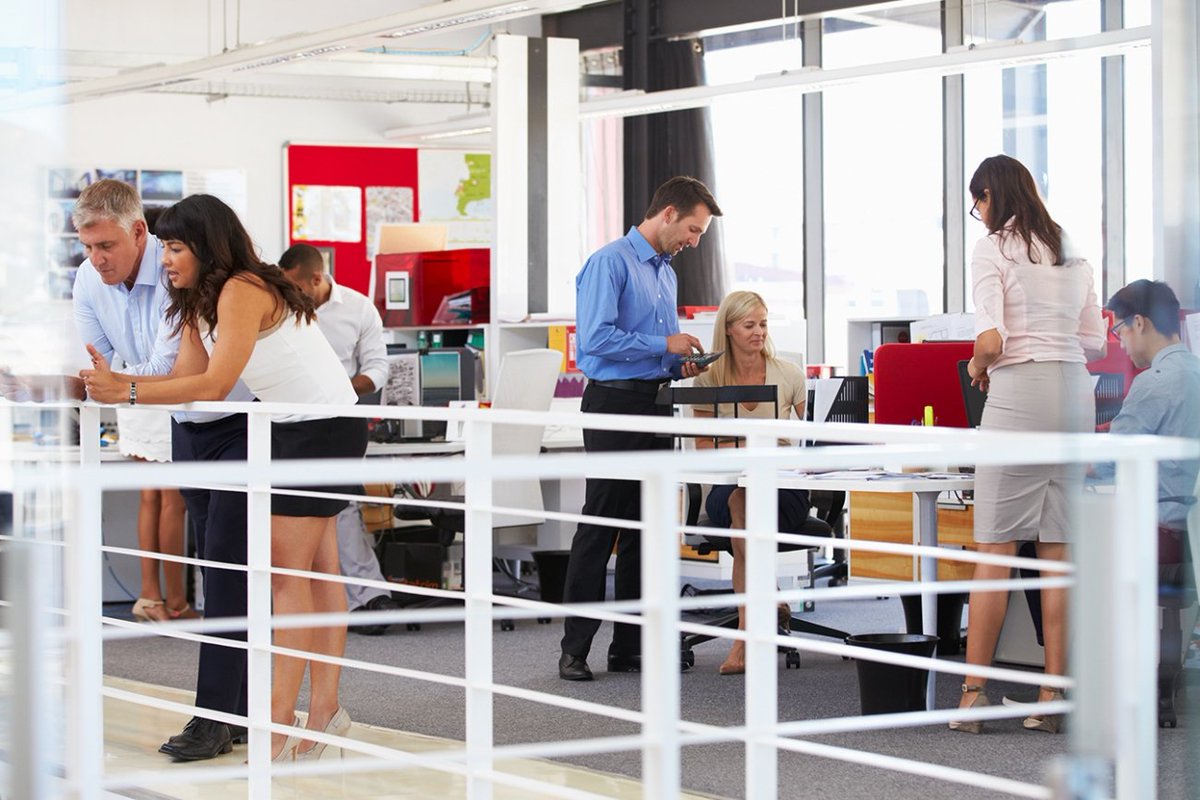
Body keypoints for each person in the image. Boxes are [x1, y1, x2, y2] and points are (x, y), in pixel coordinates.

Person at [81, 195, 367, 762]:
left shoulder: (242, 288)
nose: (165, 259)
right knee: (317, 573)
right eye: (164, 248)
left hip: (320, 429)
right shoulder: (201, 300)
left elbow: (214, 386)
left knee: (287, 577)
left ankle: (278, 719)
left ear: (207, 246)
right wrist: (117, 386)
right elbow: (185, 379)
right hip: (289, 426)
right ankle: (325, 710)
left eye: (175, 248)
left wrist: (125, 391)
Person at [954, 155, 1106, 734]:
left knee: (995, 550)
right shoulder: (1072, 251)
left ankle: (972, 699)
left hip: (1021, 392)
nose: (980, 214)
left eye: (978, 203)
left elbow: (991, 341)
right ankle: (1052, 695)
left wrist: (976, 368)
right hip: (1076, 395)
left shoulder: (993, 248)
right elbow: (1094, 339)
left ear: (991, 196)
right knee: (1057, 553)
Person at [558, 176, 721, 682]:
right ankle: (574, 650)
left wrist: (678, 365)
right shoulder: (610, 262)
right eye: (693, 230)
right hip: (613, 404)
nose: (694, 242)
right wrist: (663, 346)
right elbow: (596, 340)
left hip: (655, 403)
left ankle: (629, 646)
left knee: (645, 529)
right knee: (602, 523)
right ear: (668, 213)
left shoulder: (665, 273)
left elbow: (655, 352)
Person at [71, 180, 193, 623]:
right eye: (88, 247)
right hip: (135, 392)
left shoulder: (171, 266)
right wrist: (109, 381)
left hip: (180, 392)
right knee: (160, 498)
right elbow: (95, 359)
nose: (96, 258)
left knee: (168, 498)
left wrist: (112, 381)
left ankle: (167, 600)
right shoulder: (87, 277)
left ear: (139, 231)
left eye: (106, 245)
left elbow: (168, 364)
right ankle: (160, 601)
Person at [280, 243, 400, 636]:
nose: (291, 295)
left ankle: (366, 595)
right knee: (299, 513)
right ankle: (333, 595)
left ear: (317, 278)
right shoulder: (280, 307)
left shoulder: (358, 308)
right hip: (289, 422)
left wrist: (337, 390)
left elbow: (378, 368)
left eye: (296, 287)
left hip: (338, 418)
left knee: (340, 507)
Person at [691, 290, 813, 675]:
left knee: (743, 510)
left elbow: (813, 439)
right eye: (749, 325)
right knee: (739, 500)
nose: (759, 332)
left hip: (783, 490)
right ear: (728, 329)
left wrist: (748, 444)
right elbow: (704, 447)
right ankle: (764, 603)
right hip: (727, 488)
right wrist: (759, 443)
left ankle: (744, 639)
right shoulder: (708, 379)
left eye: (763, 323)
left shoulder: (789, 375)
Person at [1099, 279, 1200, 574]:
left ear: (1140, 323)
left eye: (1120, 331)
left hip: (1163, 538)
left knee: (1047, 543)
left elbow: (1107, 463)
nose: (1122, 344)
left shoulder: (1153, 382)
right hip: (1190, 535)